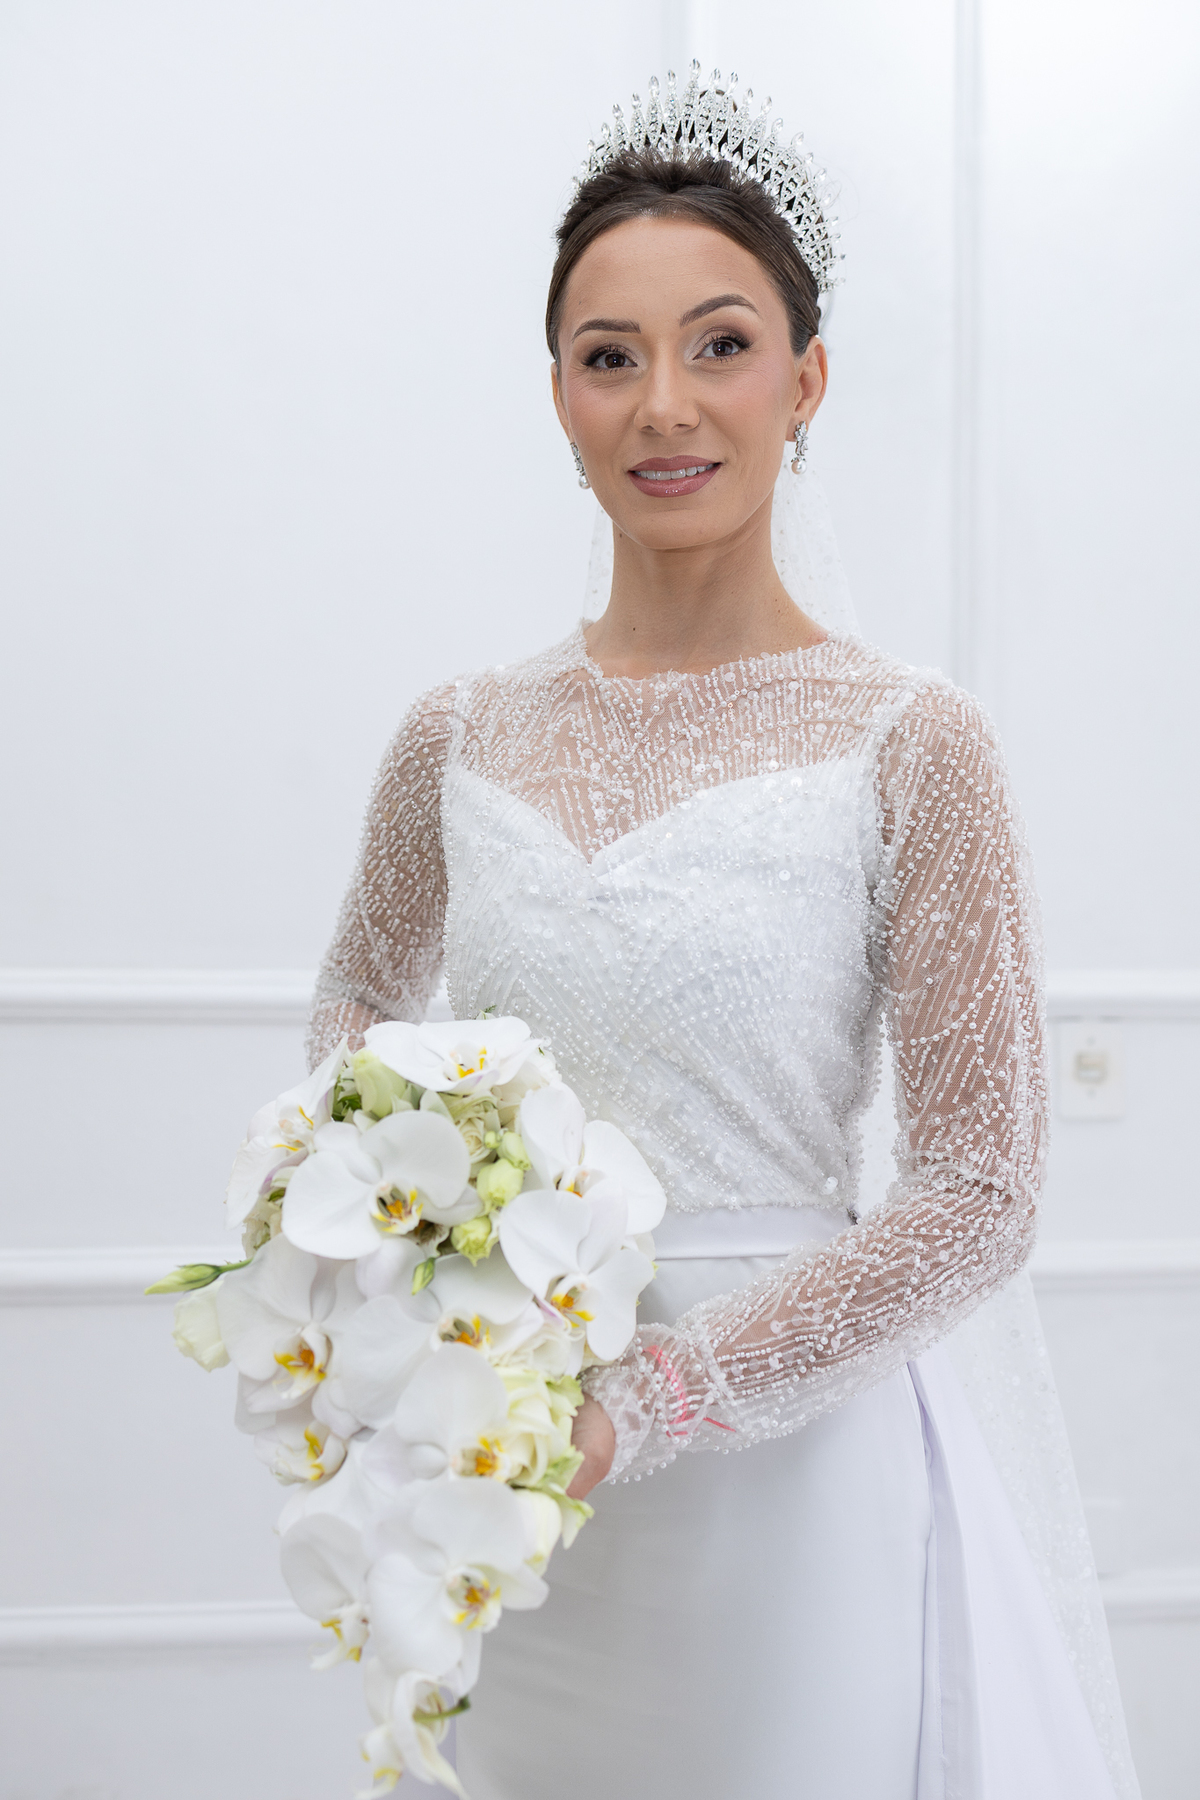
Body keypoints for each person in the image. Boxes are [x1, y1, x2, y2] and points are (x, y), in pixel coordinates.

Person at [306, 69, 1139, 1800]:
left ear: (805, 380)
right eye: (609, 356)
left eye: (723, 345)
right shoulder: (456, 734)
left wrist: (658, 1402)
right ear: (557, 392)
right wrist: (447, 1277)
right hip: (512, 1466)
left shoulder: (915, 742)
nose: (664, 405)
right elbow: (352, 1023)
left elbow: (982, 1191)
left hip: (788, 1489)